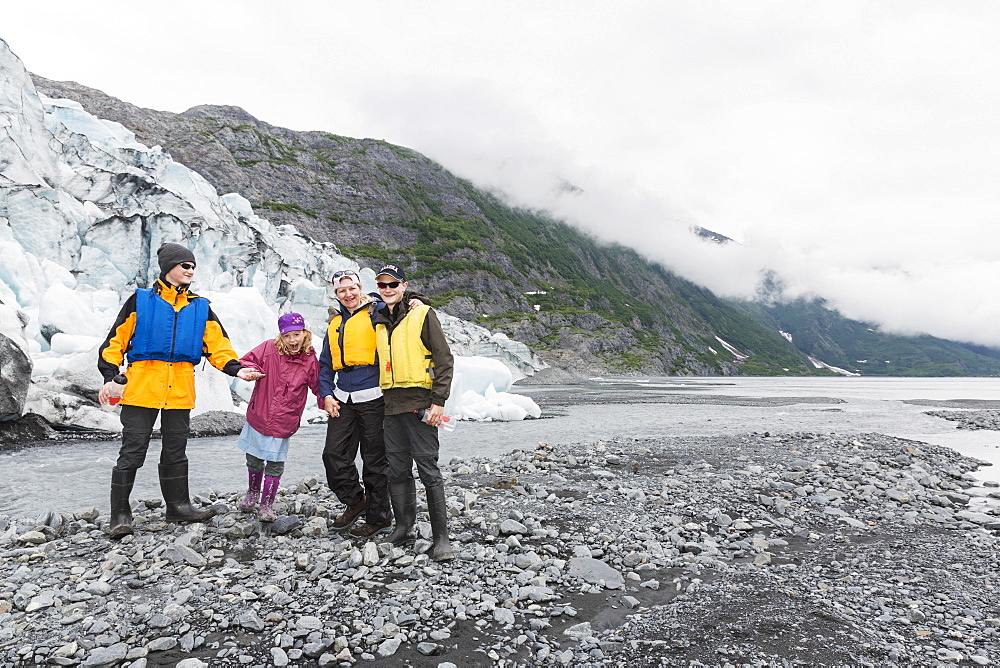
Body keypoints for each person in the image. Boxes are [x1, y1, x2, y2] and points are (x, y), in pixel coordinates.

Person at [98, 242, 258, 539]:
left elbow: (219, 348)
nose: (190, 270)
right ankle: (120, 515)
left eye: (193, 266)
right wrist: (110, 375)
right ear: (169, 267)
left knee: (176, 451)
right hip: (142, 387)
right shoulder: (141, 301)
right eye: (185, 265)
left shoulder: (201, 307)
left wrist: (238, 370)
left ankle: (178, 507)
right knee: (132, 452)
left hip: (180, 389)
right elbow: (113, 344)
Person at [319, 270, 428, 538]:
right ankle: (356, 500)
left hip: (374, 396)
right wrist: (326, 394)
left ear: (360, 288)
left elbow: (398, 299)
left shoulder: (376, 310)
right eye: (342, 290)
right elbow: (324, 364)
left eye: (352, 288)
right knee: (333, 455)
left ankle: (379, 518)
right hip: (343, 397)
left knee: (374, 461)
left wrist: (416, 300)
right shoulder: (334, 324)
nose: (348, 294)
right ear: (336, 294)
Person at [372, 262, 455, 561]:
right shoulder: (379, 318)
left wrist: (439, 401)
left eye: (393, 284)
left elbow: (444, 360)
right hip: (391, 404)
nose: (387, 290)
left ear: (404, 286)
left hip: (420, 401)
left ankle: (441, 538)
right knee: (397, 468)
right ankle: (404, 527)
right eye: (382, 285)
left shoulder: (423, 314)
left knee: (427, 468)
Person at [235, 313, 321, 522]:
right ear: (280, 337)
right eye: (287, 336)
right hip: (259, 413)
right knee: (253, 458)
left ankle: (267, 504)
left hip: (285, 419)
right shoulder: (268, 348)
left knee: (275, 462)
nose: (292, 340)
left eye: (296, 335)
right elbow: (245, 361)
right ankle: (252, 493)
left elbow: (318, 386)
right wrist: (252, 370)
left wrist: (326, 402)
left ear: (304, 334)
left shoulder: (309, 360)